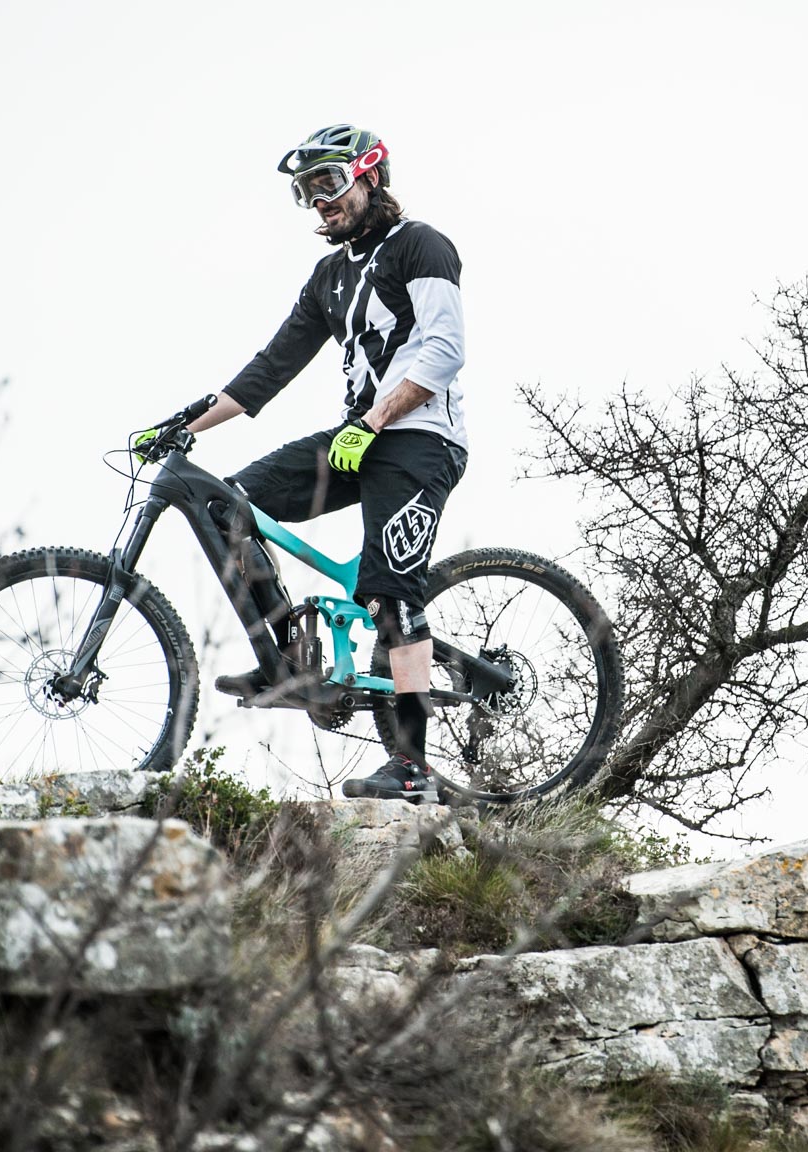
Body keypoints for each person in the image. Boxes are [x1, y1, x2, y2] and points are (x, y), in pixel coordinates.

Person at [174, 123, 466, 803]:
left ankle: (413, 769)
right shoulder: (329, 276)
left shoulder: (420, 246)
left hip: (420, 439)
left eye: (329, 183)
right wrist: (183, 426)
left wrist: (375, 420)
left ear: (370, 176)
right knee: (225, 507)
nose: (319, 202)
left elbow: (445, 349)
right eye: (306, 192)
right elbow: (271, 368)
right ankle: (288, 662)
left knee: (390, 591)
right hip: (357, 438)